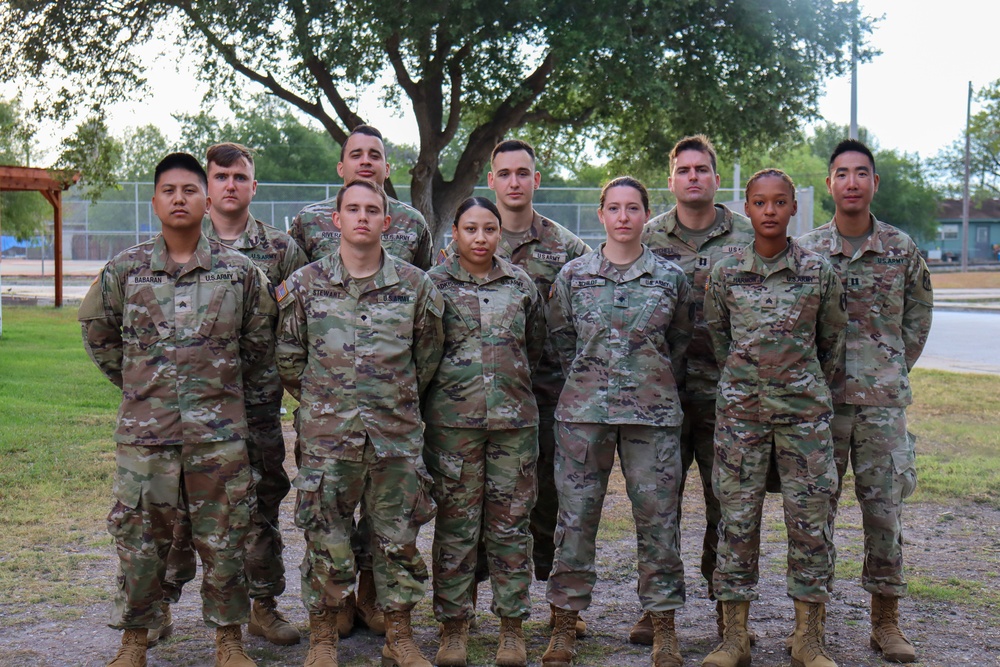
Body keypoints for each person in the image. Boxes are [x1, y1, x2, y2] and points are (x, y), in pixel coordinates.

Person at [79, 152, 277, 667]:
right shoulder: (125, 271)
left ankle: (228, 640)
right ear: (154, 202)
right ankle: (135, 640)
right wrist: (140, 386)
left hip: (219, 437)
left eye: (190, 190)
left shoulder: (240, 274)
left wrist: (222, 392)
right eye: (169, 191)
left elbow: (259, 346)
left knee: (225, 538)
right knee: (141, 541)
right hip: (147, 439)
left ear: (206, 200)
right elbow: (99, 334)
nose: (180, 199)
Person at [275, 179, 444, 667]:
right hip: (328, 440)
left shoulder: (415, 286)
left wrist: (391, 399)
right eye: (353, 209)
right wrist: (325, 402)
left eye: (373, 210)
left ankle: (400, 635)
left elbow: (426, 355)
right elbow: (289, 357)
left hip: (395, 438)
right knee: (325, 537)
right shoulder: (306, 285)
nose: (363, 217)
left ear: (387, 223)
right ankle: (324, 636)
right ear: (338, 219)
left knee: (398, 540)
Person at [437, 139, 591, 635]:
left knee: (538, 506)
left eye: (523, 173)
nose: (515, 182)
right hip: (467, 407)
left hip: (536, 400)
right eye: (505, 174)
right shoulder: (453, 259)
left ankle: (549, 609)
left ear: (535, 179)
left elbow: (553, 332)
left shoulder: (565, 247)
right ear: (492, 180)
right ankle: (464, 612)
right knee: (466, 510)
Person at [158, 142, 307, 648]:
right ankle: (157, 607)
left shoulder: (282, 250)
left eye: (239, 177)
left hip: (257, 404)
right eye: (220, 176)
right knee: (178, 507)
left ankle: (263, 606)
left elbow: (299, 322)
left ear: (253, 185)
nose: (229, 185)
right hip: (191, 411)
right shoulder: (180, 242)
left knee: (262, 501)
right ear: (207, 184)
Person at [543, 177, 692, 667]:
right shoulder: (573, 275)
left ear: (645, 215)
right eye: (614, 208)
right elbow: (562, 341)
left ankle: (663, 626)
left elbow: (681, 344)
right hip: (584, 416)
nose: (624, 217)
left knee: (658, 523)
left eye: (633, 208)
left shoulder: (670, 278)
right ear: (602, 214)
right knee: (576, 521)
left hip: (652, 418)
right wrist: (590, 381)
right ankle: (565, 625)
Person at [702, 169, 846, 667]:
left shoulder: (818, 272)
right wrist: (750, 383)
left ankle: (808, 637)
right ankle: (734, 637)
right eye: (759, 202)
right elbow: (719, 340)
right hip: (741, 417)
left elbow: (831, 343)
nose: (769, 211)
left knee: (809, 525)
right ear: (746, 208)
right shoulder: (725, 272)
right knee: (736, 523)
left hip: (803, 419)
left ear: (793, 209)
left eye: (779, 202)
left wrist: (795, 385)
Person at [798, 140, 934, 664]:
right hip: (820, 407)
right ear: (829, 183)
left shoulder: (901, 249)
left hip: (882, 406)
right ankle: (811, 627)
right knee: (814, 515)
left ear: (874, 183)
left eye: (861, 173)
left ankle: (886, 621)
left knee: (884, 513)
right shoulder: (807, 252)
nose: (851, 182)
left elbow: (917, 319)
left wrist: (890, 368)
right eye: (841, 174)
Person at [636, 134, 755, 645]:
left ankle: (725, 611)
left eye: (701, 169)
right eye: (683, 170)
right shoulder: (648, 236)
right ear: (671, 180)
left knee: (725, 505)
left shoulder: (748, 234)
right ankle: (656, 606)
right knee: (658, 504)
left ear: (715, 176)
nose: (692, 177)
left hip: (730, 396)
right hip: (662, 394)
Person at [424, 197, 546, 667]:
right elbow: (423, 353)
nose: (480, 238)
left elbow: (532, 347)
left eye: (489, 229)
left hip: (513, 426)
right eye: (470, 228)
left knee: (511, 526)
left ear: (501, 233)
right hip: (453, 429)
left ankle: (511, 629)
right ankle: (453, 628)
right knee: (455, 527)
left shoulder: (521, 284)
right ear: (454, 232)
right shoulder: (434, 285)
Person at [290, 124, 433, 269]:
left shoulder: (412, 222)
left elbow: (425, 281)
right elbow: (293, 281)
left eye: (374, 156)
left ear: (387, 169)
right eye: (356, 155)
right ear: (341, 168)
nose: (365, 161)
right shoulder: (310, 219)